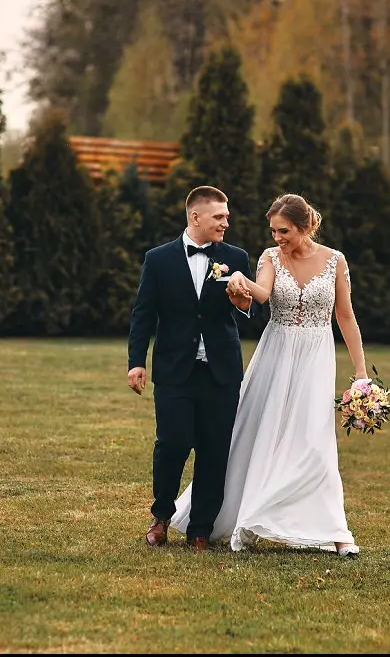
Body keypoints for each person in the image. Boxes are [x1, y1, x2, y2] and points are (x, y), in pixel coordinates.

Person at [170, 193, 366, 557]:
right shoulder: (270, 257)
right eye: (274, 231)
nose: (278, 237)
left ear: (305, 227)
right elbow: (262, 294)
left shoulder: (335, 261)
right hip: (276, 353)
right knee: (259, 434)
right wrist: (241, 280)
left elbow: (346, 316)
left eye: (284, 231)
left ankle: (336, 530)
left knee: (314, 442)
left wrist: (360, 373)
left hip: (316, 358)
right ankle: (245, 516)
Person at [127, 185, 256, 551]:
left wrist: (243, 302)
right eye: (219, 217)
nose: (226, 223)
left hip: (221, 371)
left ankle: (201, 528)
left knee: (215, 450)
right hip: (174, 370)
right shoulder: (158, 259)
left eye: (227, 216)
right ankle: (161, 517)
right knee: (172, 444)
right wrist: (137, 361)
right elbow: (143, 313)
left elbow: (251, 311)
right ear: (195, 217)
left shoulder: (236, 257)